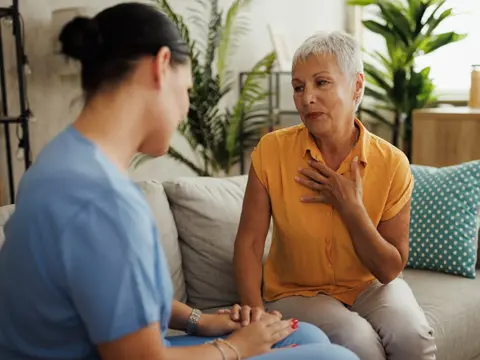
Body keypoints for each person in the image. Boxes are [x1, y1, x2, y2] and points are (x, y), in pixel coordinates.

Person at [0, 3, 360, 360]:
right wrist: (234, 348)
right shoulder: (103, 200)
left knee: (305, 334)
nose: (186, 107)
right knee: (338, 358)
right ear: (160, 67)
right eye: (187, 89)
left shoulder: (61, 159)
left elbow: (104, 289)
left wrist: (199, 321)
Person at [231, 31, 437, 360]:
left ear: (356, 86)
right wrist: (255, 317)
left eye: (321, 83)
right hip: (295, 292)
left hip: (370, 285)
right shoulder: (272, 151)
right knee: (358, 341)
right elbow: (249, 244)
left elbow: (388, 271)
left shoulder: (392, 163)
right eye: (298, 87)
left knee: (413, 336)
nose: (306, 98)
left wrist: (351, 208)